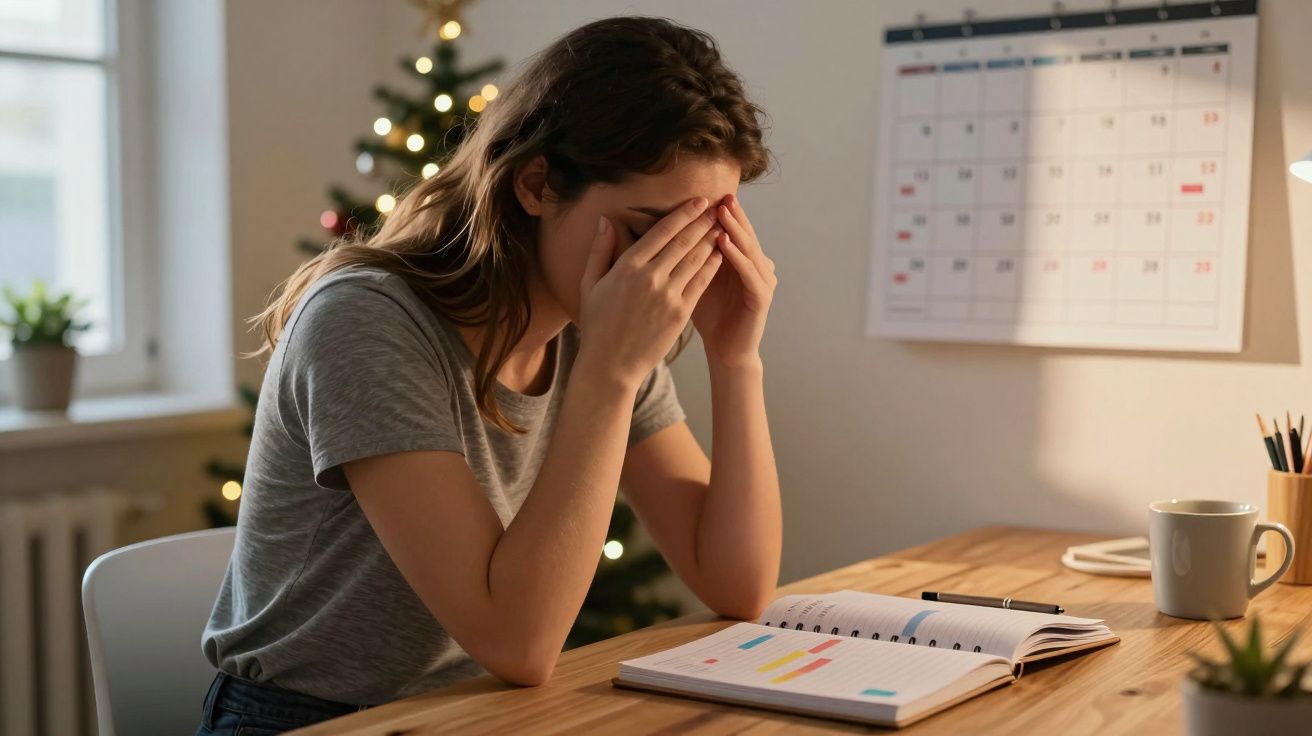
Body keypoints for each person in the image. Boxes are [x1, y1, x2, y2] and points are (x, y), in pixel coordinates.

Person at [197, 15, 781, 735]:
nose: (668, 267)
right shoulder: (365, 322)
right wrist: (609, 373)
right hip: (308, 719)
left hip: (477, 712)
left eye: (701, 233)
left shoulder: (593, 328)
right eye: (646, 228)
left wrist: (735, 357)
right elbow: (519, 642)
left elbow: (739, 584)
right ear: (536, 184)